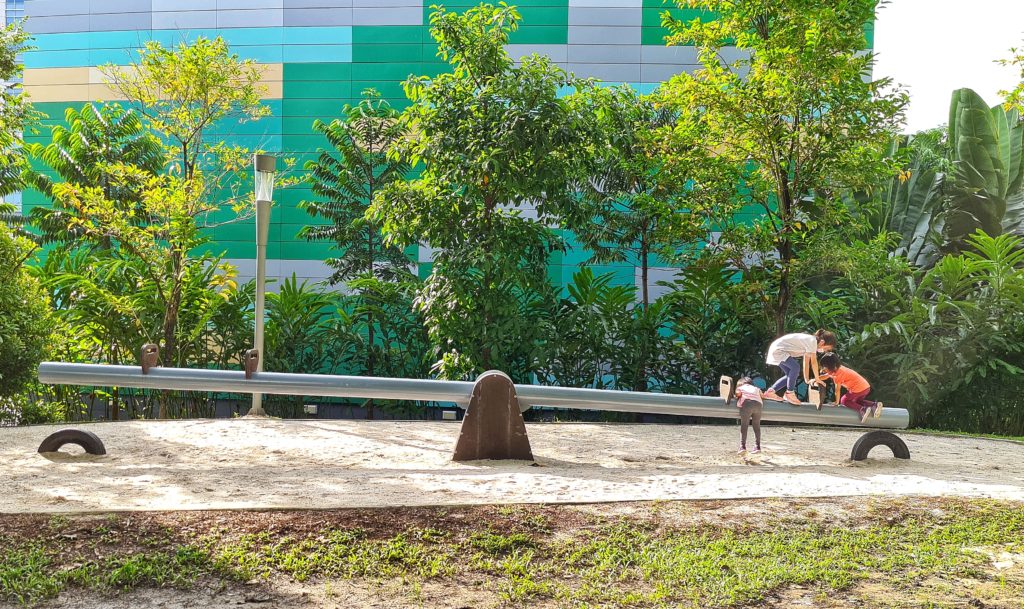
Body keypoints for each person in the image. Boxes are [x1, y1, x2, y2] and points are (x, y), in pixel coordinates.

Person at [763, 330, 837, 406]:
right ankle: (789, 393)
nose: (824, 351)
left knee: (790, 375)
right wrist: (817, 379)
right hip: (779, 350)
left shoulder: (810, 343)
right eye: (826, 348)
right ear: (822, 342)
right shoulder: (812, 342)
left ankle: (770, 392)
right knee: (795, 367)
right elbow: (813, 362)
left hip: (777, 350)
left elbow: (806, 362)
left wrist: (807, 379)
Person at [817, 352, 884, 424]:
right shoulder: (838, 369)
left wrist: (836, 402)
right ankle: (874, 405)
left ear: (831, 367)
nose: (823, 369)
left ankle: (862, 410)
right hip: (866, 387)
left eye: (824, 367)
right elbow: (826, 376)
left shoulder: (837, 375)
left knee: (844, 400)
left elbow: (837, 390)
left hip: (858, 388)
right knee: (856, 401)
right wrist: (816, 379)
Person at [734, 376, 763, 454]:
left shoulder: (741, 387)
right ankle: (757, 446)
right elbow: (762, 396)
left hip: (747, 404)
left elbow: (738, 394)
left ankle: (742, 446)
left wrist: (736, 396)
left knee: (744, 425)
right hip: (758, 405)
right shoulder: (757, 388)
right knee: (756, 426)